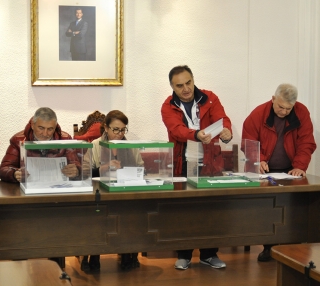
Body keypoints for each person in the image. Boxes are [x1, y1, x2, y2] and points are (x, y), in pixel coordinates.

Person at [161, 65, 232, 270]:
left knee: (212, 209)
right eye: (180, 85)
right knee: (184, 211)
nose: (186, 88)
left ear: (193, 80)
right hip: (183, 163)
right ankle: (184, 254)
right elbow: (177, 130)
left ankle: (209, 254)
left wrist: (226, 130)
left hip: (211, 162)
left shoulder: (210, 98)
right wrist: (196, 134)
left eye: (188, 82)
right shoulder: (168, 106)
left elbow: (222, 119)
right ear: (172, 87)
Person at [242, 83, 317, 261]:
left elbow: (306, 142)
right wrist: (258, 159)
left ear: (294, 105)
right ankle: (270, 247)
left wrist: (300, 166)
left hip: (290, 169)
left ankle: (294, 247)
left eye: (288, 109)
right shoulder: (258, 113)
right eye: (280, 107)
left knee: (295, 206)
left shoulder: (302, 112)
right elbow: (248, 140)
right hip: (265, 169)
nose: (283, 112)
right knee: (269, 208)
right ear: (273, 99)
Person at [82, 110, 144, 271]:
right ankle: (94, 255)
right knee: (98, 214)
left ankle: (126, 253)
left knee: (131, 212)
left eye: (123, 130)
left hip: (125, 191)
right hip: (100, 192)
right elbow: (85, 172)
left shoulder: (131, 147)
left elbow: (141, 168)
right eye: (115, 129)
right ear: (106, 128)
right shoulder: (95, 145)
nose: (119, 134)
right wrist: (104, 167)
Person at [0, 107, 80, 183]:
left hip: (57, 187)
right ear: (33, 125)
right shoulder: (18, 140)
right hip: (27, 190)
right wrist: (14, 174)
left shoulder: (65, 139)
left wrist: (77, 171)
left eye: (50, 129)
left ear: (55, 127)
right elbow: (3, 169)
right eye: (41, 128)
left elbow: (78, 165)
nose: (45, 133)